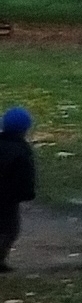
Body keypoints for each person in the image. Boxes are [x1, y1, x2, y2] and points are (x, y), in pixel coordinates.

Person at [0, 105, 33, 273]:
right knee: (9, 230)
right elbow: (24, 179)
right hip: (7, 199)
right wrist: (25, 194)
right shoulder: (21, 151)